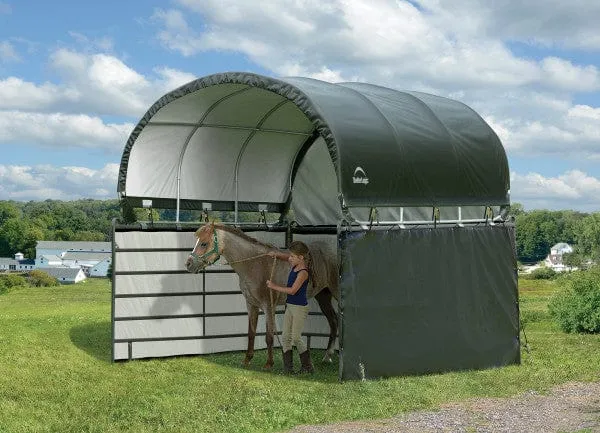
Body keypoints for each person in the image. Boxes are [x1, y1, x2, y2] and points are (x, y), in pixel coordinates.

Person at [266, 241, 314, 374]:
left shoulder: (303, 273)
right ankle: (288, 369)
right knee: (285, 337)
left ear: (301, 258)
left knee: (296, 338)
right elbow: (285, 257)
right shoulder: (295, 264)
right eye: (290, 256)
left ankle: (308, 367)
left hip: (299, 308)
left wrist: (273, 286)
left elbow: (293, 290)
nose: (290, 258)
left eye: (293, 256)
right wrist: (275, 254)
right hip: (291, 306)